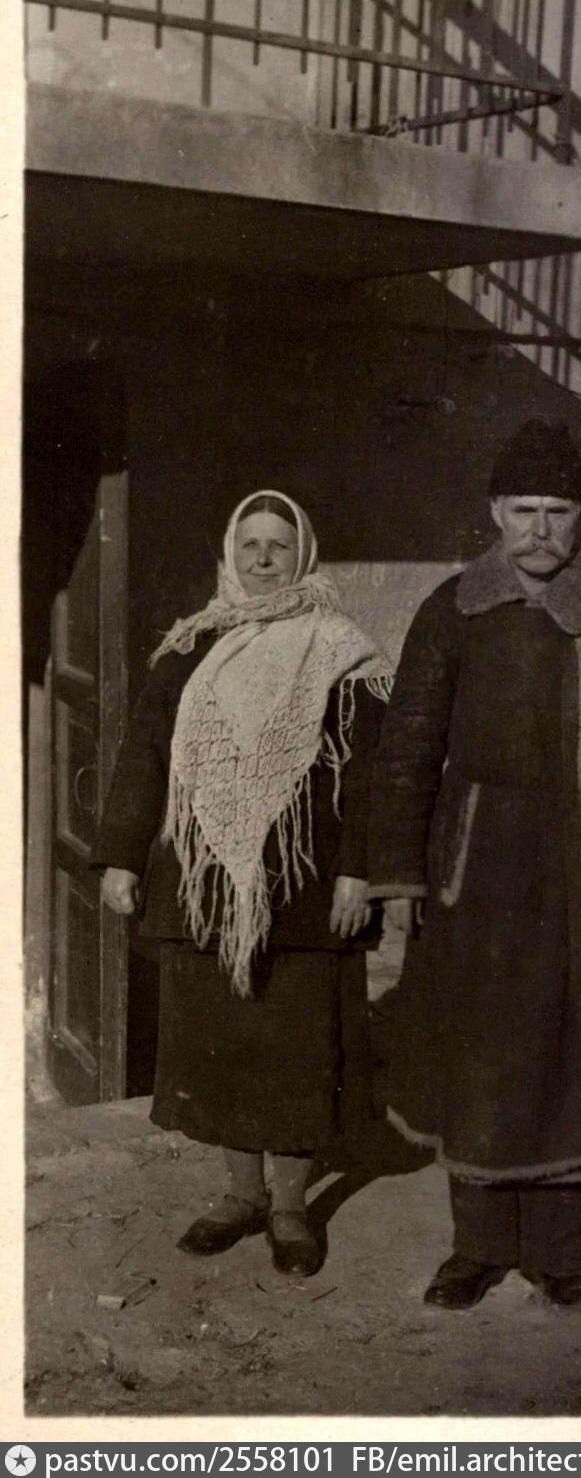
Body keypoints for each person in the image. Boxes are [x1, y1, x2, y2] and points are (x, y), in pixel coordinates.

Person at [367, 421, 581, 1310]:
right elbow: (408, 748)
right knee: (482, 1054)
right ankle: (476, 1247)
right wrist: (401, 875)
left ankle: (563, 1252)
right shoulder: (451, 611)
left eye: (558, 511)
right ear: (494, 512)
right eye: (523, 510)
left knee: (574, 1055)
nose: (540, 530)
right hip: (478, 862)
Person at [93, 489, 391, 1278]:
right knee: (221, 1040)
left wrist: (359, 869)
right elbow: (145, 756)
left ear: (303, 555)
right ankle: (240, 1195)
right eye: (250, 544)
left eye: (278, 545)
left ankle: (290, 1207)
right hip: (206, 880)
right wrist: (122, 856)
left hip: (304, 881)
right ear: (230, 552)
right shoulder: (190, 646)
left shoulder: (341, 649)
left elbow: (371, 773)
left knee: (296, 1044)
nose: (263, 559)